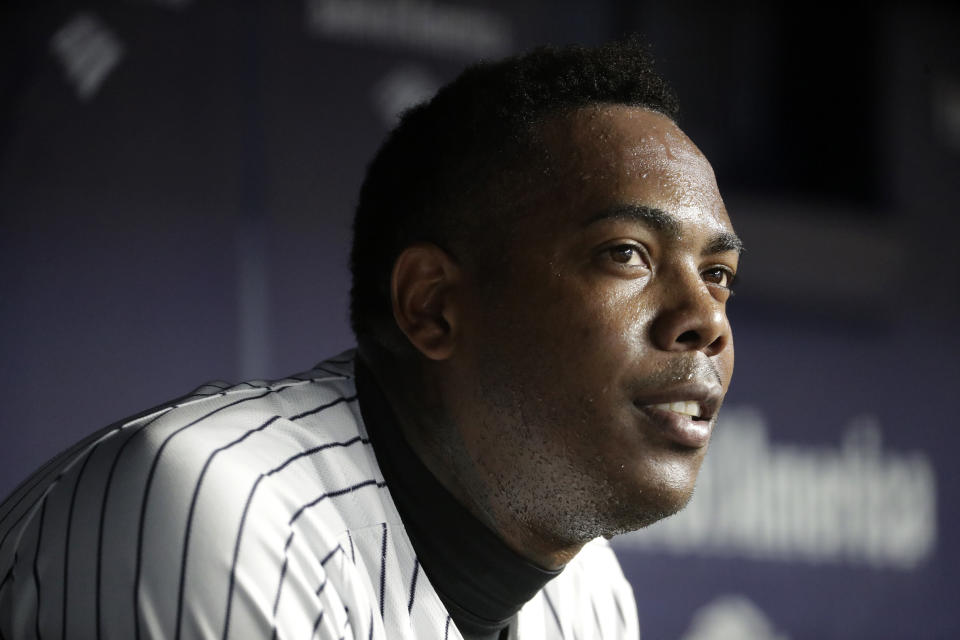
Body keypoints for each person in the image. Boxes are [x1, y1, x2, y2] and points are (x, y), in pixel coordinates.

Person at [0, 39, 742, 639]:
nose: (706, 318)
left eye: (717, 273)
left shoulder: (588, 591)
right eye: (627, 253)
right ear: (433, 307)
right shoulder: (230, 505)